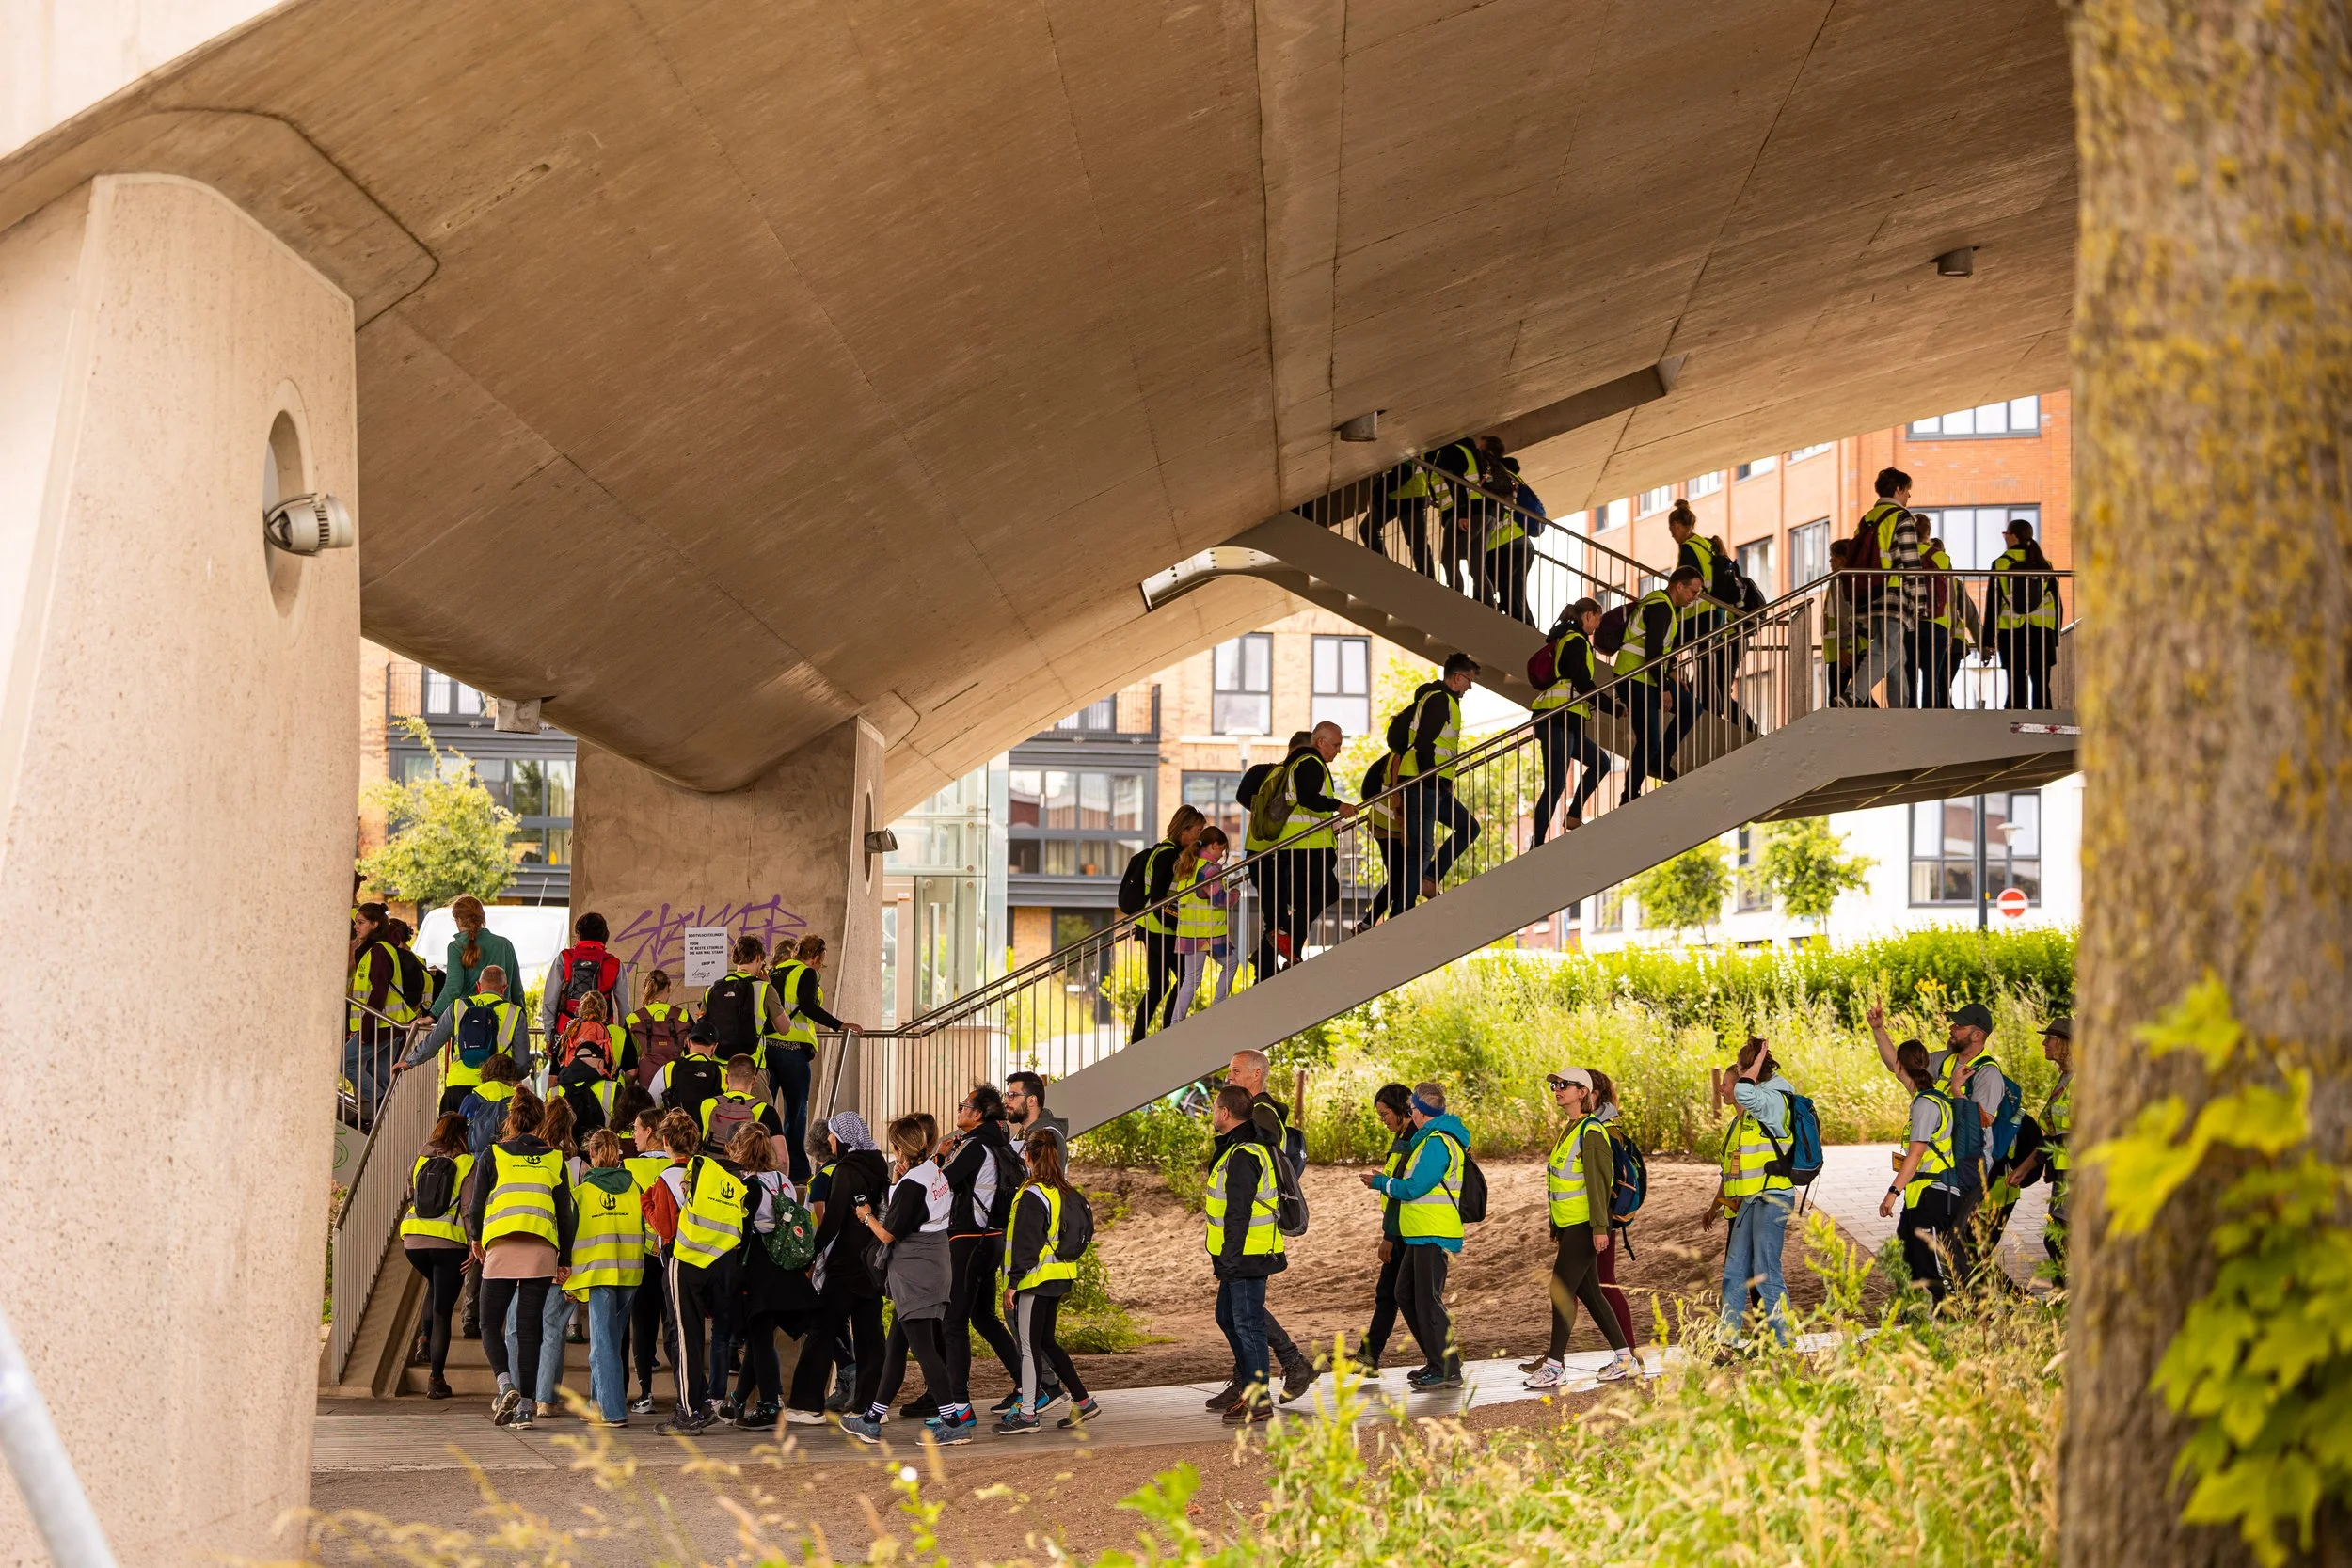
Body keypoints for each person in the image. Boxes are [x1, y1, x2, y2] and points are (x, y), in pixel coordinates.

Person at [840, 1115, 964, 1444]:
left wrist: (866, 1215)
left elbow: (887, 1233)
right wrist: (898, 1180)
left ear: (899, 1148)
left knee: (925, 1352)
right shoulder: (933, 1171)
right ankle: (872, 1417)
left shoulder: (912, 1184)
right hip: (933, 1267)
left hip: (914, 1274)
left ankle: (953, 1422)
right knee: (896, 1347)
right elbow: (916, 1206)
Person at [464, 1086, 577, 1430]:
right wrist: (565, 1258)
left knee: (488, 1322)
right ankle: (526, 1409)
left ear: (510, 1120)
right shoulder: (555, 1158)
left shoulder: (493, 1155)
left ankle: (505, 1385)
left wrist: (476, 1238)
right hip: (541, 1249)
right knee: (530, 1330)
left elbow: (476, 1206)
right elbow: (566, 1214)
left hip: (501, 1246)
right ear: (540, 1121)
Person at [1869, 998, 2006, 1275]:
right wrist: (1878, 1029)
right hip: (1935, 1175)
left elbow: (1982, 1121)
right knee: (1932, 1252)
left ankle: (1992, 1298)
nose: (1951, 1028)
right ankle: (1980, 1296)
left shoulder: (1988, 1073)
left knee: (1955, 1253)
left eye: (1959, 1026)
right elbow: (1899, 1066)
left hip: (1965, 1172)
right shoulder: (1944, 1060)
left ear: (1977, 1035)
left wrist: (1957, 1092)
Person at [1523, 1069, 1639, 1387]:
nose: (1557, 1090)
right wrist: (1556, 1224)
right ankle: (1625, 1359)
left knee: (1560, 1289)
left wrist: (1600, 1228)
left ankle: (1554, 1366)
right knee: (1590, 1293)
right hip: (1570, 1224)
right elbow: (1560, 1182)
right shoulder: (1571, 1129)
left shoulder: (1591, 1131)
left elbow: (1598, 1183)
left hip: (1585, 1225)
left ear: (1583, 1092)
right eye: (1554, 1085)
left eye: (1564, 1085)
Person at [642, 1107, 752, 1434]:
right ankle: (702, 1402)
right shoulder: (710, 1171)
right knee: (705, 1335)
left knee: (685, 1336)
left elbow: (665, 1227)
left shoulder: (667, 1178)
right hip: (718, 1259)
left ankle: (688, 1411)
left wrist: (646, 1204)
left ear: (665, 1141)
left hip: (684, 1260)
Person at [1221, 1050, 1318, 1402]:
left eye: (1236, 1071)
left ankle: (1284, 1368)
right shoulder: (1258, 1111)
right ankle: (1249, 1378)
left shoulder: (1261, 1112)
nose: (1229, 1077)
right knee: (1231, 1313)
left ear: (1256, 1075)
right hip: (1246, 1233)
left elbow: (1262, 1162)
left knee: (1242, 1312)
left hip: (1252, 1235)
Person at [1360, 1080, 1469, 1388]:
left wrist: (1380, 1183)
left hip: (1432, 1231)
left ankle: (1447, 1367)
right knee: (1405, 1294)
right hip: (1419, 1232)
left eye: (1412, 1109)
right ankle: (1438, 1361)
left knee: (1427, 1300)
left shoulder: (1437, 1142)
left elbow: (1414, 1188)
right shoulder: (1427, 1139)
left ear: (1419, 1111)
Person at [785, 1114, 891, 1425]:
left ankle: (806, 1405)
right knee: (871, 1336)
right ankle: (871, 1406)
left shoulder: (846, 1170)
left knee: (822, 1330)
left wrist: (811, 1256)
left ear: (843, 1138)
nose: (830, 1142)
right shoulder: (878, 1166)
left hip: (845, 1265)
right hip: (872, 1263)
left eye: (832, 1135)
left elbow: (831, 1222)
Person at [1000, 1127, 1099, 1433]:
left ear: (1028, 1157)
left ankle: (1028, 1415)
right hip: (1058, 1276)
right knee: (1046, 1342)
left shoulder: (1032, 1194)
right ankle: (1083, 1401)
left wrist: (1013, 1283)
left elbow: (1025, 1244)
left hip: (1034, 1280)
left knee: (1028, 1348)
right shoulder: (1063, 1191)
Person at [939, 1086, 1028, 1418]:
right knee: (984, 1318)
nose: (959, 1110)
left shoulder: (975, 1147)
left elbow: (940, 1186)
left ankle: (959, 1405)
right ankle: (1028, 1385)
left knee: (954, 1322)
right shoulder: (1000, 1145)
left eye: (964, 1105)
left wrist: (937, 1159)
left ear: (977, 1114)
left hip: (967, 1241)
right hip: (992, 1239)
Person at [1247, 721, 1356, 978]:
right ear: (1320, 742)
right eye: (1336, 745)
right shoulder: (1311, 763)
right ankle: (1280, 937)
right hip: (1306, 845)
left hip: (1301, 845)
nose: (1338, 751)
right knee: (1328, 891)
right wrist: (1338, 805)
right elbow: (1307, 798)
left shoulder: (1297, 764)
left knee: (1308, 901)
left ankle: (1275, 951)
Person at [1205, 1085, 1286, 1422]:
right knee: (1227, 1317)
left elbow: (1238, 1212)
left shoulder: (1244, 1154)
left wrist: (1229, 1259)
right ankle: (1250, 1389)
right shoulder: (1237, 1148)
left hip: (1248, 1255)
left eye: (1214, 1108)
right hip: (1242, 1254)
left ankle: (1258, 1398)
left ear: (1225, 1113)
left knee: (1248, 1325)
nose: (1212, 1114)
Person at [1713, 1038, 1796, 1347]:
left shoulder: (1774, 1098)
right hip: (1751, 1197)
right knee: (1735, 1269)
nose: (1737, 1076)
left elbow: (1745, 1091)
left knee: (1765, 1270)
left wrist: (1755, 1062)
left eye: (1741, 1068)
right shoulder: (1758, 1099)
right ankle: (1727, 1340)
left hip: (1773, 1195)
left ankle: (1784, 1342)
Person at [727, 1122, 810, 1429]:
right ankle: (738, 1401)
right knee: (760, 1336)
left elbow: (743, 1233)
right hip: (785, 1265)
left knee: (760, 1338)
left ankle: (770, 1406)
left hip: (760, 1266)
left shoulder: (749, 1187)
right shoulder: (783, 1180)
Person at [768, 934, 864, 1182]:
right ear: (817, 955)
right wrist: (838, 1025)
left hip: (767, 1050)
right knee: (796, 1113)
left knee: (766, 1111)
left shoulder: (775, 972)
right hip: (793, 1052)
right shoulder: (806, 973)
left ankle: (765, 1165)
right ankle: (797, 1171)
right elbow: (808, 1006)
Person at [567, 1128, 646, 1426]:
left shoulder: (582, 1193)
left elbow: (570, 1236)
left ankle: (612, 1412)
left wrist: (568, 1277)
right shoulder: (634, 1187)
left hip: (598, 1272)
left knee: (603, 1345)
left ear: (592, 1153)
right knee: (610, 1342)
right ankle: (597, 1404)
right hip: (630, 1271)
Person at [1394, 655, 1483, 913]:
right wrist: (1432, 778)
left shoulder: (1444, 700)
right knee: (1421, 850)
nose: (1469, 687)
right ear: (1457, 677)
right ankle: (1402, 911)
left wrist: (1441, 780)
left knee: (1468, 827)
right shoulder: (1440, 700)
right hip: (1424, 783)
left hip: (1432, 784)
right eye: (1469, 680)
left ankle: (1429, 879)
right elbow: (1424, 744)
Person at [1878, 1039, 1963, 1302]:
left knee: (1930, 1267)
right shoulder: (1927, 1098)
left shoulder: (1926, 1105)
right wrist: (1878, 1030)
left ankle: (1955, 1313)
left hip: (1934, 1194)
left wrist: (1892, 1192)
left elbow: (1916, 1154)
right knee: (1906, 1259)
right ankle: (1913, 1315)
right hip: (1920, 1194)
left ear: (1899, 1066)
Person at [399, 1112, 475, 1400]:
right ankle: (436, 1380)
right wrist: (474, 1244)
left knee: (434, 1284)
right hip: (448, 1243)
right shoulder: (466, 1162)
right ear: (463, 1134)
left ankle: (423, 1339)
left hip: (413, 1241)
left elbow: (410, 1193)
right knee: (443, 1311)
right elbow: (468, 1208)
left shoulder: (420, 1160)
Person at [1613, 568, 1705, 798]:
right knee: (1649, 740)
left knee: (1691, 708)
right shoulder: (1661, 607)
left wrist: (1671, 672)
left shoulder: (1664, 606)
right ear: (1679, 586)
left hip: (1647, 678)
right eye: (1693, 592)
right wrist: (1664, 688)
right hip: (1634, 678)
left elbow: (1661, 649)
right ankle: (1630, 795)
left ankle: (1660, 761)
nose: (1695, 598)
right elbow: (1653, 651)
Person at [1843, 468, 1928, 707]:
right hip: (1893, 593)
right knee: (1888, 649)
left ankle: (1900, 709)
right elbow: (1911, 562)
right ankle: (1853, 695)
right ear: (1898, 489)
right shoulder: (1901, 517)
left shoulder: (1867, 519)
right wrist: (1920, 602)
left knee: (1897, 656)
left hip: (1869, 593)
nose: (1909, 495)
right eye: (1907, 490)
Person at [1530, 598, 1612, 843]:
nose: (1598, 624)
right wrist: (1611, 707)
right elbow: (1583, 682)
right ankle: (1537, 843)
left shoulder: (1572, 639)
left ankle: (1574, 814)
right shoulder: (1575, 641)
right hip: (1557, 719)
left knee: (1601, 762)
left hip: (1567, 721)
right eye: (1598, 618)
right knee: (1555, 786)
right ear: (1588, 616)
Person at [395, 964, 528, 1114]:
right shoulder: (515, 1013)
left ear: (478, 986)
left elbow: (434, 1042)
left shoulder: (458, 1006)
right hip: (495, 1092)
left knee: (450, 1129)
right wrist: (513, 1080)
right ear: (504, 989)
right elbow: (522, 1062)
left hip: (457, 1087)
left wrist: (409, 1061)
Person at [1128, 806, 1208, 1040]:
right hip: (1161, 928)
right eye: (1197, 831)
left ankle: (1139, 1038)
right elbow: (1159, 899)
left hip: (1151, 927)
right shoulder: (1168, 855)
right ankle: (1168, 1029)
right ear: (1184, 830)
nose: (1199, 837)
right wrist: (1177, 926)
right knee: (1186, 977)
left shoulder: (1162, 851)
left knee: (1159, 985)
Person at [1357, 1083, 1415, 1370]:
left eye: (1385, 1114)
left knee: (1404, 1296)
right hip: (1402, 1228)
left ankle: (1444, 1361)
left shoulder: (1411, 1140)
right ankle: (1368, 1355)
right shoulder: (1403, 1137)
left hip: (1404, 1230)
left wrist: (1389, 1236)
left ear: (1401, 1109)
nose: (1383, 1120)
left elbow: (1401, 1193)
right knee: (1389, 1294)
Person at [621, 1108, 674, 1414]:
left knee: (642, 1324)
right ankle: (687, 1394)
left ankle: (645, 1394)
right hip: (674, 1252)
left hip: (641, 1254)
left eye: (637, 1128)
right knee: (673, 1324)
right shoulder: (679, 1166)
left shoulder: (628, 1166)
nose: (633, 1135)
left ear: (650, 1131)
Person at [1584, 1069, 1638, 1350]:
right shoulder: (1597, 1125)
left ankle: (1628, 1351)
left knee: (1599, 1284)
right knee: (1594, 1284)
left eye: (1576, 1087)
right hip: (1592, 1218)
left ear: (1592, 1095)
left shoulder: (1599, 1130)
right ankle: (1628, 1352)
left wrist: (1599, 1225)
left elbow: (1600, 1182)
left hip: (1595, 1219)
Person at [1665, 502, 1735, 716]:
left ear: (1678, 525)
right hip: (1713, 614)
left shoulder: (1689, 548)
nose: (1672, 535)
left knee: (1666, 645)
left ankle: (1684, 694)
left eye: (1672, 529)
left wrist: (1672, 610)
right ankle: (1712, 711)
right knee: (1704, 667)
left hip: (1698, 614)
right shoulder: (1705, 544)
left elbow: (1683, 583)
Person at [1171, 828, 1244, 1020]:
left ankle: (1177, 1020)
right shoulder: (1209, 869)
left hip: (1190, 931)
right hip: (1206, 932)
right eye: (1222, 850)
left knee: (1193, 977)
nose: (1222, 855)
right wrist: (1235, 894)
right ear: (1214, 845)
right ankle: (1209, 1010)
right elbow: (1219, 899)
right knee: (1195, 978)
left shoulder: (1190, 865)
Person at [1992, 518, 2060, 709]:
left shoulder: (2000, 564)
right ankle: (2044, 723)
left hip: (2011, 632)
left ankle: (2014, 723)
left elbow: (1993, 603)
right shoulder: (2044, 564)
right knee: (2041, 686)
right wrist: (2055, 636)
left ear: (2013, 537)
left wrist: (1988, 639)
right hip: (2042, 631)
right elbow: (2057, 603)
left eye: (2005, 534)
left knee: (2015, 686)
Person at [345, 902, 401, 1120]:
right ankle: (386, 1120)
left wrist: (366, 1028)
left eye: (361, 922)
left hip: (381, 1024)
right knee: (380, 1075)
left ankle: (380, 1103)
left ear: (375, 924)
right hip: (386, 1024)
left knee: (347, 1062)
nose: (356, 927)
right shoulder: (375, 949)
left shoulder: (378, 951)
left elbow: (379, 992)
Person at [429, 894, 524, 1019]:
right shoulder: (505, 945)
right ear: (482, 917)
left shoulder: (456, 947)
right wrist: (522, 1019)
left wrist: (432, 1015)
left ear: (458, 920)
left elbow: (453, 988)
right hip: (503, 1018)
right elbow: (517, 991)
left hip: (469, 1020)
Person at [541, 911, 622, 1047]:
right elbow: (623, 1006)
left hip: (567, 1031)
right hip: (602, 1033)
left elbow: (550, 1000)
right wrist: (624, 1037)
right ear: (605, 934)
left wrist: (549, 1035)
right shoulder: (614, 963)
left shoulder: (565, 958)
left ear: (579, 934)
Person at [1354, 748, 1409, 930]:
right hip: (1389, 826)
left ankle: (1376, 922)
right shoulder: (1400, 757)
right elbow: (1397, 797)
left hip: (1385, 823)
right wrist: (1404, 829)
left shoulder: (1398, 755)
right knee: (1398, 878)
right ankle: (1370, 923)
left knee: (1400, 877)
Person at [620, 969, 695, 1087]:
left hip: (647, 1084)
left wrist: (629, 1087)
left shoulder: (633, 1019)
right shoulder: (683, 1016)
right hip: (677, 1080)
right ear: (668, 988)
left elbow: (631, 1071)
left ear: (645, 988)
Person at [701, 1054, 781, 1153]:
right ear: (754, 1081)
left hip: (711, 1162)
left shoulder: (707, 1104)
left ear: (726, 1079)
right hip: (747, 1163)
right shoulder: (766, 1110)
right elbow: (782, 1158)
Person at [1820, 538, 1863, 702]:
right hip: (1849, 647)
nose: (1831, 561)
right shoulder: (1850, 580)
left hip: (1846, 649)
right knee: (1856, 694)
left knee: (1837, 695)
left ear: (1844, 559)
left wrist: (1843, 647)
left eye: (1834, 557)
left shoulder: (1841, 581)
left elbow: (1844, 614)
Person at [1004, 1070, 1066, 1152]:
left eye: (1012, 1095)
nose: (1006, 1100)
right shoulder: (1019, 1137)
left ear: (1031, 1100)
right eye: (1006, 1095)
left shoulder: (1048, 1139)